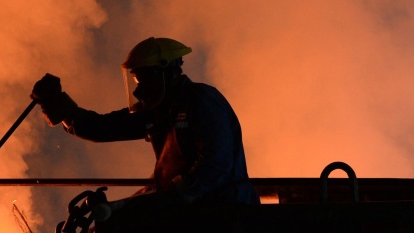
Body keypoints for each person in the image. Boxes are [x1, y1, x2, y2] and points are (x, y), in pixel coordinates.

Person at [30, 37, 258, 208]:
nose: (138, 90)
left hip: (226, 216)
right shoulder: (158, 111)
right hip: (192, 213)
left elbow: (215, 164)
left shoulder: (203, 102)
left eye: (144, 80)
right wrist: (58, 105)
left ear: (167, 73)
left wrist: (167, 197)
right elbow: (103, 127)